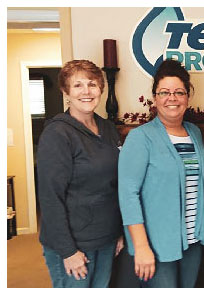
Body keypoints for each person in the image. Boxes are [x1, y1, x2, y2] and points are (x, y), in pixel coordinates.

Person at [118, 59, 204, 288]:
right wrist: (142, 247)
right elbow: (128, 194)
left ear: (187, 97)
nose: (171, 98)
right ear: (155, 98)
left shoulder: (194, 133)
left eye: (178, 92)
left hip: (192, 241)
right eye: (164, 92)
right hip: (156, 244)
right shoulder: (140, 138)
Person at [37, 59, 124, 288]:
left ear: (101, 90)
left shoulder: (108, 129)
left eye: (92, 84)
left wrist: (117, 233)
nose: (86, 91)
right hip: (73, 246)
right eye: (78, 85)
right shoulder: (58, 134)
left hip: (105, 240)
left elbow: (115, 186)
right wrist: (68, 251)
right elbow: (50, 197)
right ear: (66, 91)